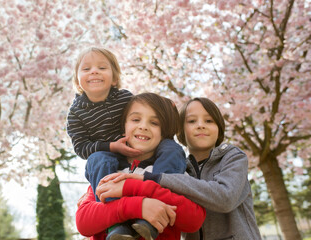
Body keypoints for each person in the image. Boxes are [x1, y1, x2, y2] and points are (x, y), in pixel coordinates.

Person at [97, 97, 262, 240]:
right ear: (180, 131)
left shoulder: (232, 157)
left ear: (219, 128)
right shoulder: (179, 168)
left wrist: (154, 178)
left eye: (209, 121)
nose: (200, 125)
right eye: (191, 121)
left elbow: (226, 198)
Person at [66, 47, 187, 237]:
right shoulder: (75, 112)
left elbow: (146, 110)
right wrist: (111, 147)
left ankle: (159, 194)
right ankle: (116, 224)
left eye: (102, 67)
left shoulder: (124, 98)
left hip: (139, 152)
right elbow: (81, 147)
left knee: (172, 147)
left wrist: (168, 109)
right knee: (97, 159)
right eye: (86, 69)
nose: (94, 71)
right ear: (77, 81)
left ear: (114, 79)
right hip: (108, 158)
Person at [76, 93, 206, 240]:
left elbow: (194, 220)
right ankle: (117, 228)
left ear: (164, 133)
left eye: (154, 123)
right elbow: (83, 223)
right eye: (136, 119)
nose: (143, 126)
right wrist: (138, 206)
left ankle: (145, 225)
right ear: (123, 126)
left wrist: (136, 187)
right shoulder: (108, 171)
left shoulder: (176, 172)